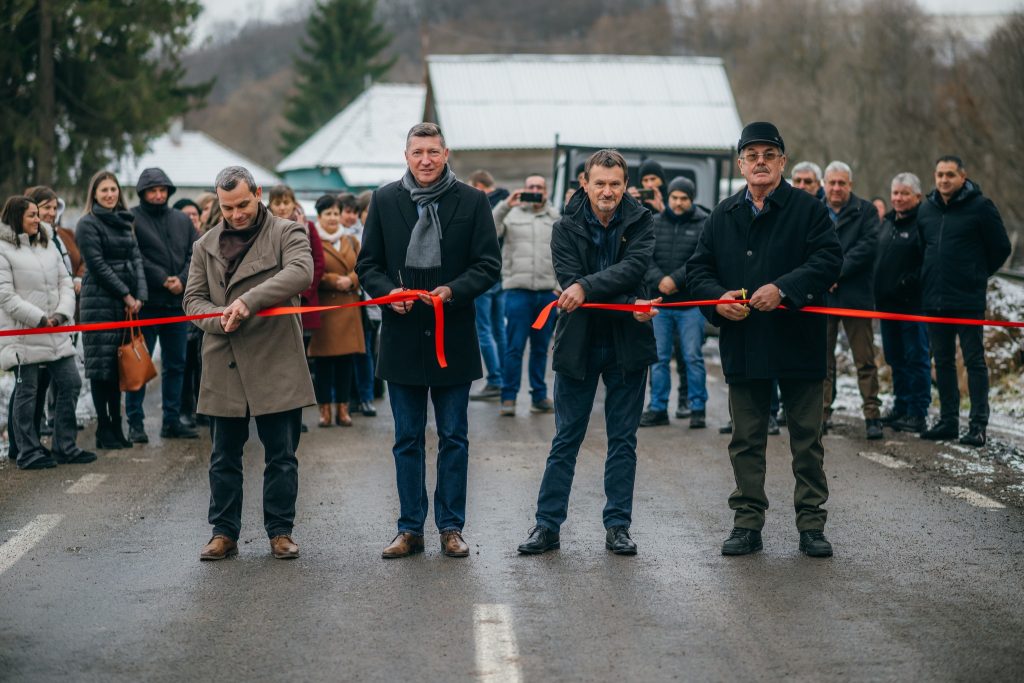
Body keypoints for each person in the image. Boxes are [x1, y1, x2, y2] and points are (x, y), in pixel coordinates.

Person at [686, 122, 842, 558]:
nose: (760, 162)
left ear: (782, 162)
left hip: (798, 342)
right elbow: (697, 270)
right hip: (746, 342)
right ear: (740, 164)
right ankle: (747, 523)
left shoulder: (808, 209)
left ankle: (811, 524)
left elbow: (830, 260)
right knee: (746, 440)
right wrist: (716, 301)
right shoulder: (723, 214)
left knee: (806, 440)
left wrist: (785, 288)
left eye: (768, 154)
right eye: (751, 155)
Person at [356, 123, 501, 560]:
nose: (425, 160)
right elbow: (369, 265)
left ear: (445, 154)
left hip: (451, 334)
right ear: (406, 155)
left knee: (454, 436)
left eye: (433, 152)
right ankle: (409, 527)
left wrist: (453, 290)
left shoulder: (473, 201)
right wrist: (387, 293)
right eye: (417, 152)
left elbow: (488, 264)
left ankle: (451, 527)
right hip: (400, 337)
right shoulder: (384, 200)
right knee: (407, 438)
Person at [517, 149, 658, 557]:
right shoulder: (564, 226)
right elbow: (568, 276)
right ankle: (547, 526)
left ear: (625, 185)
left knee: (623, 440)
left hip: (627, 341)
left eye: (615, 184)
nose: (608, 191)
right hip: (579, 342)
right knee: (566, 438)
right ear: (585, 183)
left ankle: (618, 527)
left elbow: (635, 267)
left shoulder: (642, 220)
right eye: (600, 183)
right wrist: (592, 288)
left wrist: (586, 289)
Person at [184, 166, 315, 561]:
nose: (237, 213)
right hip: (224, 358)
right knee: (224, 455)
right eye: (228, 208)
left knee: (281, 454)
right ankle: (223, 532)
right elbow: (192, 300)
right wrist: (220, 318)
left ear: (257, 193)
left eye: (243, 203)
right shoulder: (203, 245)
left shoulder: (287, 231)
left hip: (275, 357)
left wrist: (247, 302)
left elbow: (301, 272)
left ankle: (280, 531)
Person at [918, 155, 1011, 447]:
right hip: (935, 298)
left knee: (973, 361)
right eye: (940, 174)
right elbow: (924, 247)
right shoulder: (927, 209)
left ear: (963, 177)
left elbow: (1001, 248)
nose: (944, 180)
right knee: (942, 361)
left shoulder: (981, 207)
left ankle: (978, 425)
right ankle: (948, 421)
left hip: (968, 298)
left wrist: (977, 275)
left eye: (950, 175)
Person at [0, 196, 94, 469]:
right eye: (32, 215)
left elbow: (65, 281)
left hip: (54, 328)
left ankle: (65, 446)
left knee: (71, 382)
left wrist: (61, 313)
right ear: (17, 216)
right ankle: (28, 451)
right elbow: (5, 296)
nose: (38, 219)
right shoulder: (3, 250)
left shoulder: (47, 243)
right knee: (27, 392)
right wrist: (40, 318)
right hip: (23, 332)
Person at [125, 168, 199, 442]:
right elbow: (134, 255)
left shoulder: (181, 219)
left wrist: (181, 279)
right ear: (143, 193)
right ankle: (135, 423)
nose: (158, 195)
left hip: (177, 305)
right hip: (148, 303)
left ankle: (171, 420)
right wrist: (161, 278)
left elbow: (195, 253)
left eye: (162, 190)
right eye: (152, 190)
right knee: (140, 365)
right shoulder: (131, 218)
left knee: (176, 365)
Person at [77, 171, 147, 450]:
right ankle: (104, 429)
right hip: (99, 302)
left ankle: (117, 427)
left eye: (113, 189)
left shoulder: (125, 222)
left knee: (119, 367)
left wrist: (140, 294)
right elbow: (97, 265)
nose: (109, 194)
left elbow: (136, 258)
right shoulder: (87, 224)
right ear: (94, 194)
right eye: (103, 190)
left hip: (125, 303)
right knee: (101, 368)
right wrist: (126, 293)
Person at [640, 176, 710, 429]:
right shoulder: (654, 222)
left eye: (684, 198)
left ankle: (697, 407)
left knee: (692, 356)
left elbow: (701, 258)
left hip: (690, 305)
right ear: (668, 198)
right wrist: (659, 280)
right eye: (674, 198)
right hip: (660, 305)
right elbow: (644, 257)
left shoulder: (703, 223)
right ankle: (658, 408)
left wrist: (676, 280)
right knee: (658, 358)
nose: (678, 203)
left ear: (692, 200)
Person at [821, 161, 883, 440]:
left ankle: (872, 414)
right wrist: (823, 274)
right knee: (822, 361)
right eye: (832, 182)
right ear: (824, 184)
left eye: (841, 183)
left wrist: (837, 271)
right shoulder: (814, 210)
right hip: (822, 296)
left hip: (855, 296)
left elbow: (868, 246)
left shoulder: (866, 210)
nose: (836, 188)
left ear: (850, 185)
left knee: (864, 359)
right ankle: (821, 415)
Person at [491, 174, 560, 416]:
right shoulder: (511, 214)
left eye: (539, 187)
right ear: (523, 190)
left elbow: (564, 255)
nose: (534, 190)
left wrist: (558, 288)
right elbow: (490, 228)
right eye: (530, 187)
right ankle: (508, 397)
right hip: (517, 292)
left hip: (546, 294)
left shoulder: (555, 218)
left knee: (541, 349)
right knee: (514, 347)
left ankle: (538, 397)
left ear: (546, 191)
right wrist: (505, 204)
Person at [874, 173, 930, 434]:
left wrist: (908, 283)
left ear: (917, 196)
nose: (897, 198)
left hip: (912, 305)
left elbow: (928, 264)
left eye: (904, 193)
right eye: (895, 193)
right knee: (895, 357)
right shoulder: (887, 222)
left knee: (915, 357)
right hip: (887, 305)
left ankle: (917, 412)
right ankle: (901, 404)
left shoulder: (923, 223)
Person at [307, 194, 365, 427]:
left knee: (345, 362)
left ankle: (343, 408)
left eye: (335, 213)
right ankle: (325, 411)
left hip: (349, 306)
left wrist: (351, 280)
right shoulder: (313, 241)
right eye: (327, 214)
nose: (332, 218)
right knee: (324, 364)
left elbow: (364, 266)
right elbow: (311, 270)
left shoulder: (351, 241)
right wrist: (333, 281)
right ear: (319, 216)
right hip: (325, 308)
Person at [467, 169, 509, 401]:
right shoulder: (509, 201)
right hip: (502, 273)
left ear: (480, 186)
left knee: (483, 329)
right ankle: (503, 377)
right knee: (499, 328)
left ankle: (494, 379)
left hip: (484, 274)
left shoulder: (481, 204)